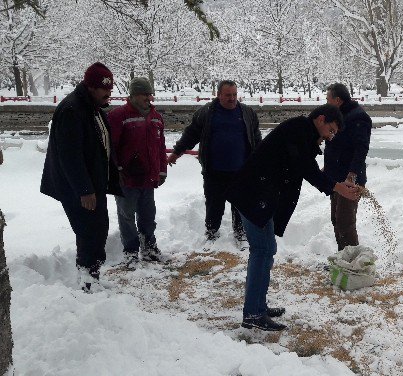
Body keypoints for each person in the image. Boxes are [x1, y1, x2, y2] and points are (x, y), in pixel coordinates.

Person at [226, 104, 361, 331]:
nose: (331, 136)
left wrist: (335, 184)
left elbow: (308, 168)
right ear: (320, 119)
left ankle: (258, 305)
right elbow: (306, 167)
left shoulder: (303, 133)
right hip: (252, 195)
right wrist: (336, 187)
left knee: (266, 250)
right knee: (262, 251)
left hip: (260, 197)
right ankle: (253, 314)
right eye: (331, 130)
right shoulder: (298, 130)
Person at [40, 62, 122, 292]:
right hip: (79, 188)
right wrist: (84, 190)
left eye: (110, 89)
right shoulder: (72, 110)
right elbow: (70, 156)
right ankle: (87, 279)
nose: (108, 93)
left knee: (99, 228)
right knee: (89, 231)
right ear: (90, 86)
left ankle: (92, 274)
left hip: (96, 183)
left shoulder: (93, 108)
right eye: (103, 89)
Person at [167, 80, 261, 243]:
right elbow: (191, 134)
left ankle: (240, 234)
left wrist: (261, 159)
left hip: (241, 171)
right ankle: (212, 233)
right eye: (228, 95)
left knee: (241, 205)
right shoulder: (207, 113)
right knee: (214, 205)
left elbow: (256, 138)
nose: (232, 98)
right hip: (214, 171)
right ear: (218, 95)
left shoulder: (247, 113)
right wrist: (177, 152)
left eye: (234, 94)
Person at [108, 77, 167, 266]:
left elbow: (160, 146)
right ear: (133, 95)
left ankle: (149, 247)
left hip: (149, 177)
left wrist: (162, 170)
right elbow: (111, 147)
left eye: (149, 94)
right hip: (127, 178)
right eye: (144, 94)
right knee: (126, 216)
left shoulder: (156, 117)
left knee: (148, 214)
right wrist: (116, 170)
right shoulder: (118, 116)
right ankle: (131, 251)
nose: (148, 98)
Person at [324, 83, 372, 251]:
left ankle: (354, 265)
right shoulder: (339, 116)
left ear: (337, 100)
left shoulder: (358, 117)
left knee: (345, 223)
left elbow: (361, 148)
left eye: (327, 99)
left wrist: (352, 175)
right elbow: (336, 146)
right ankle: (343, 260)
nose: (326, 102)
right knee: (336, 219)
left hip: (350, 179)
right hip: (336, 177)